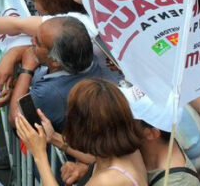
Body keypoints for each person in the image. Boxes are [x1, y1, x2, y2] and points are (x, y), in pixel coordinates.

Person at [15, 78, 149, 186]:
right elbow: (94, 157)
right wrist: (53, 137)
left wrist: (39, 155)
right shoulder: (127, 151)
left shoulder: (107, 181)